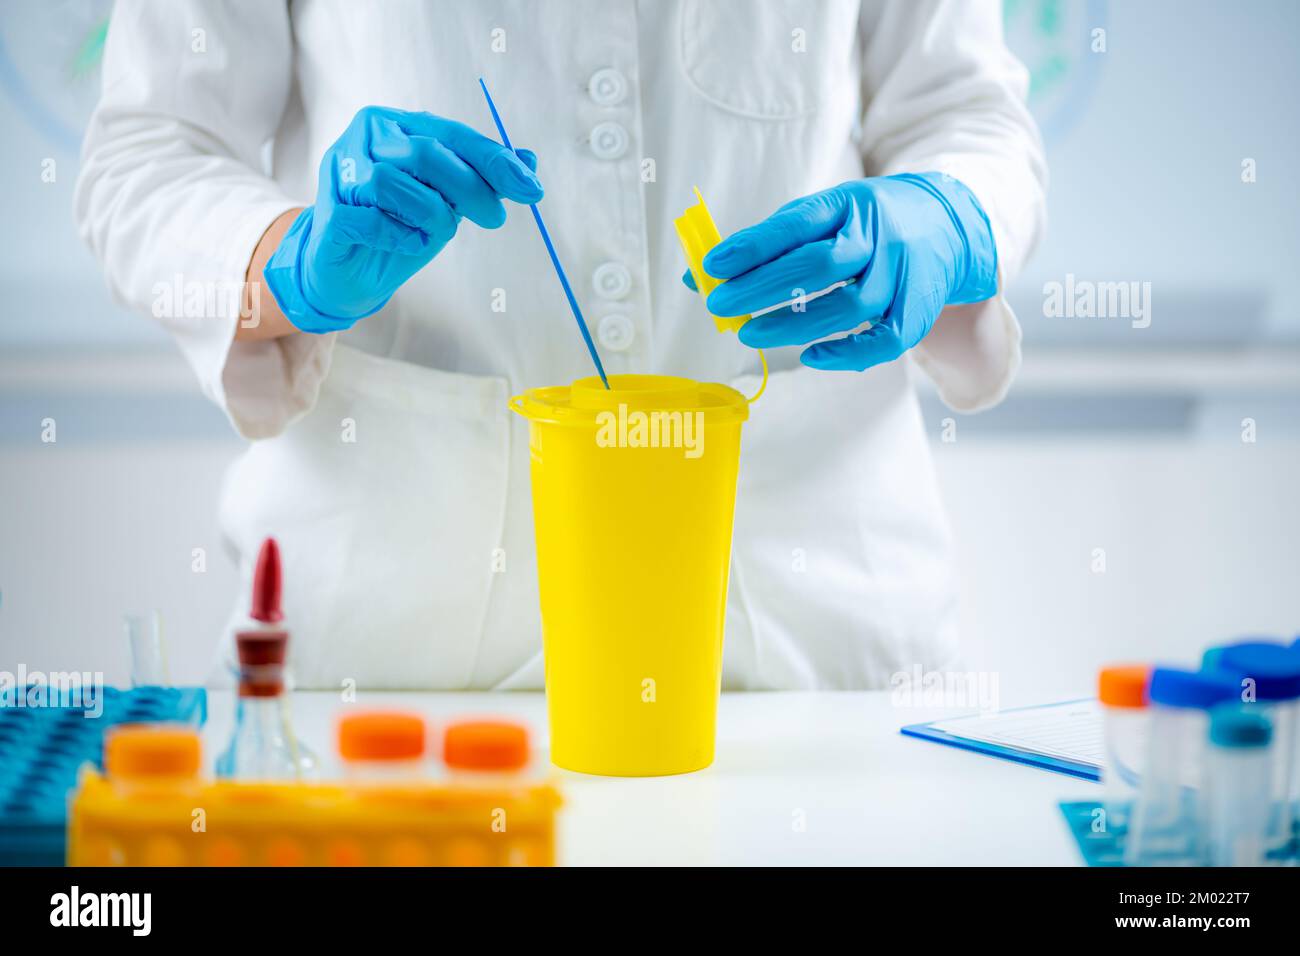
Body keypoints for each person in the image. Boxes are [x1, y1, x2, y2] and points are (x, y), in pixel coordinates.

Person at [76, 1, 1046, 690]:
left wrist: (946, 215)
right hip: (391, 651)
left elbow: (963, 112)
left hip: (816, 626)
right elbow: (151, 151)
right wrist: (283, 264)